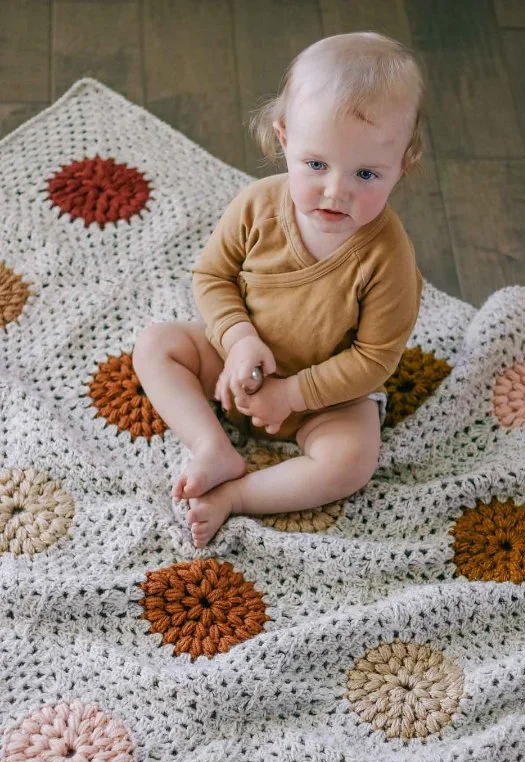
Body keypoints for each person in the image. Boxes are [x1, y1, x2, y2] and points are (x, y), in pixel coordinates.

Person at [133, 31, 425, 548]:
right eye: (316, 165)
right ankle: (211, 445)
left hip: (325, 400)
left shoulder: (388, 257)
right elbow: (213, 277)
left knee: (353, 460)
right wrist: (238, 339)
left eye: (366, 173)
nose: (336, 191)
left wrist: (292, 395)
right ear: (284, 137)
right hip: (233, 366)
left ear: (404, 164)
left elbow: (374, 359)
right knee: (156, 345)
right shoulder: (256, 206)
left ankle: (239, 494)